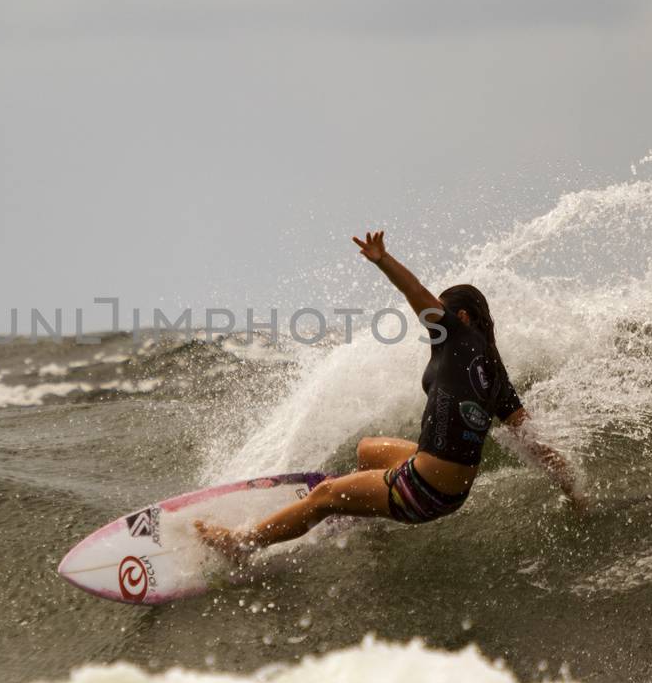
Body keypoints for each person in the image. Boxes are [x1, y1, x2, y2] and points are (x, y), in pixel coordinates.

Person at [196, 230, 585, 562]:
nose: (432, 321)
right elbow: (533, 441)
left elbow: (414, 290)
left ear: (461, 318)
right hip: (450, 489)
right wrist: (573, 490)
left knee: (325, 494)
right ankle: (360, 505)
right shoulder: (496, 373)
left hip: (422, 489)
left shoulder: (456, 335)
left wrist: (383, 260)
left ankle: (242, 544)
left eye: (442, 313)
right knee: (367, 450)